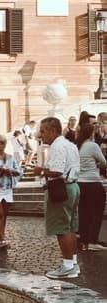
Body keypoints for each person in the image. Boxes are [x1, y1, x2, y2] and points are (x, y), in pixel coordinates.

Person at [34, 117, 81, 279]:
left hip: (61, 188)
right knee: (71, 226)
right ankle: (73, 263)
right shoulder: (70, 144)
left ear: (53, 131)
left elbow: (57, 171)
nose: (41, 135)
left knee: (62, 228)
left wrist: (40, 170)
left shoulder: (57, 146)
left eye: (43, 131)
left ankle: (67, 265)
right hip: (73, 187)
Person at [75, 121, 107, 251]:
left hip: (80, 183)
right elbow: (104, 163)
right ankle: (93, 241)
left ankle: (84, 240)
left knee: (83, 212)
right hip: (93, 182)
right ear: (91, 133)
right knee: (96, 212)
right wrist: (97, 165)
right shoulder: (92, 146)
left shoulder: (77, 146)